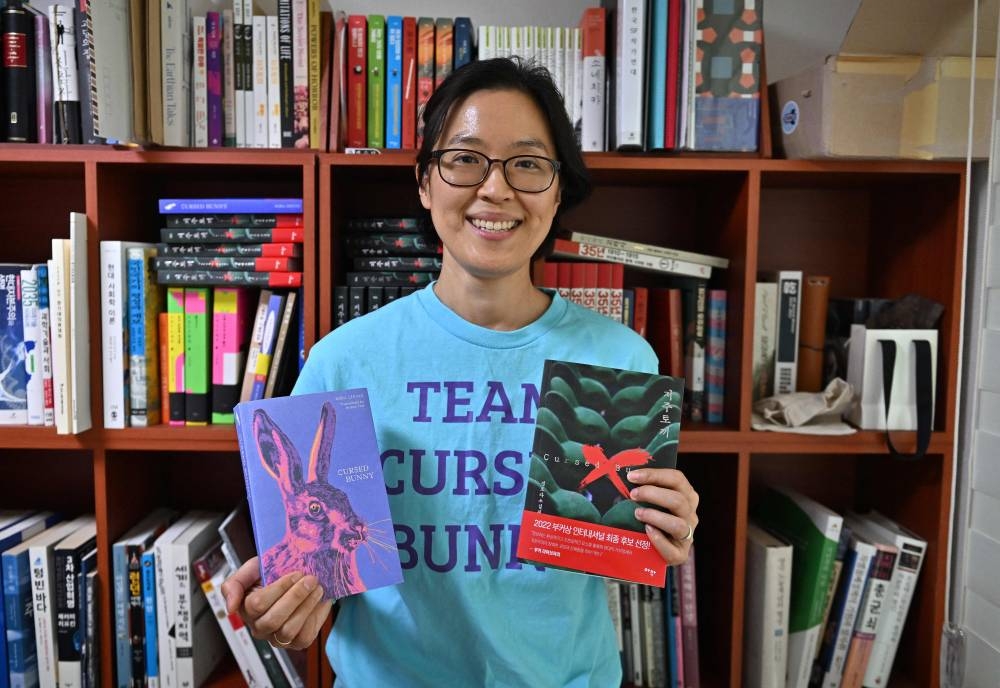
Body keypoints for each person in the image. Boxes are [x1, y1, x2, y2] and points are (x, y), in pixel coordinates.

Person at [222, 57, 700, 687]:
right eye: (465, 158)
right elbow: (317, 574)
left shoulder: (620, 360)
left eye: (527, 164)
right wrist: (283, 603)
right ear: (425, 182)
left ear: (557, 192)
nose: (495, 189)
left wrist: (664, 528)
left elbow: (609, 550)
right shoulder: (344, 360)